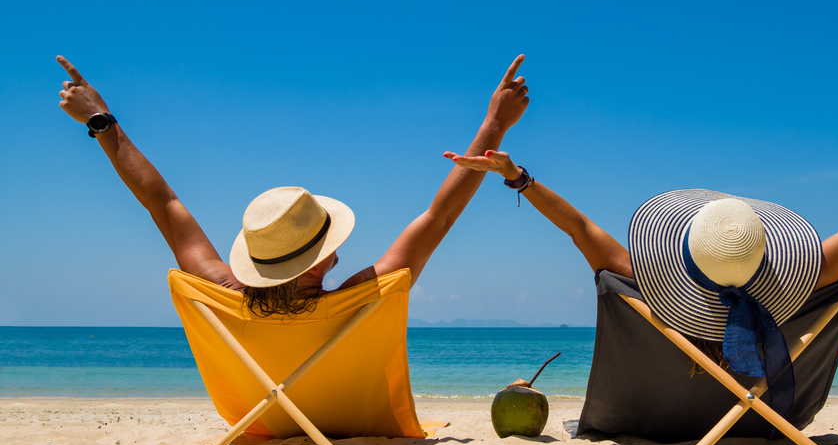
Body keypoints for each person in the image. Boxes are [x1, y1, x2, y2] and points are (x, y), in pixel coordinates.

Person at [446, 124, 838, 409]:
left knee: (608, 276)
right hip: (762, 412)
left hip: (659, 414)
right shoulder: (806, 280)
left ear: (678, 252)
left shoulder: (644, 284)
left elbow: (576, 227)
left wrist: (518, 177)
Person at [57, 54, 530, 312]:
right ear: (326, 255)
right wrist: (494, 125)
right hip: (338, 420)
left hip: (262, 416)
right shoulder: (358, 300)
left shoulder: (224, 294)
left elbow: (162, 204)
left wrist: (101, 120)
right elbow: (439, 217)